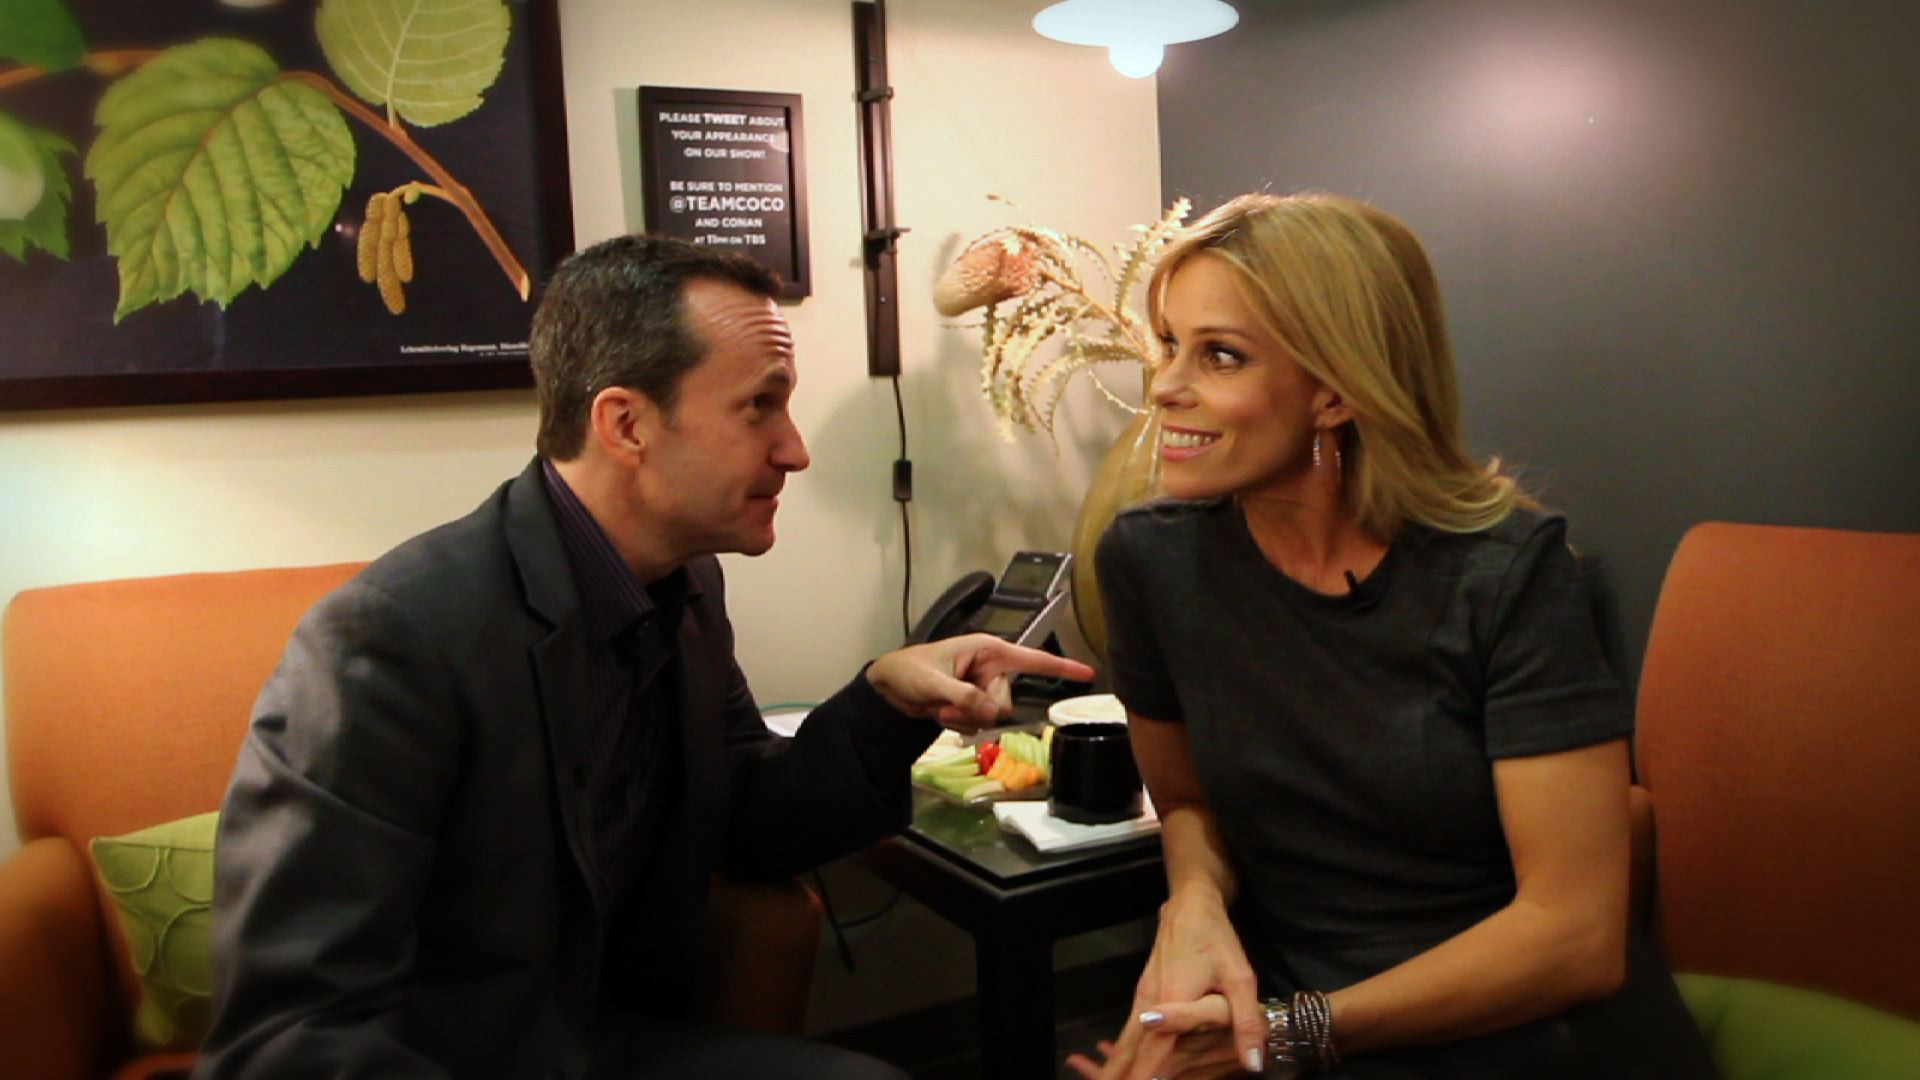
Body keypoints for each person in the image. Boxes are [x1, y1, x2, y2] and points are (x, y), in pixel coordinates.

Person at [194, 234, 1093, 1079]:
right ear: (626, 424)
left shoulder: (685, 583)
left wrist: (884, 704)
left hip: (606, 1041)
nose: (795, 450)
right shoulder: (389, 642)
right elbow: (292, 1032)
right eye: (759, 405)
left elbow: (746, 823)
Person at [1068, 194, 1716, 1079]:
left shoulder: (1505, 574)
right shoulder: (1150, 560)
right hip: (1294, 1005)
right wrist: (1193, 906)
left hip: (1515, 1022)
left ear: (1335, 389)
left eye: (1219, 354)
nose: (1165, 386)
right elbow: (1187, 802)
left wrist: (1290, 1036)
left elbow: (1575, 937)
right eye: (1169, 344)